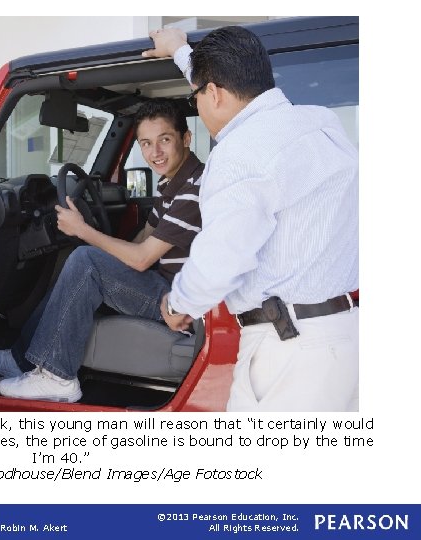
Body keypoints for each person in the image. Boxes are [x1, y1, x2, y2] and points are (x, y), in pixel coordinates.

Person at [144, 26, 359, 411]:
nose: (198, 108)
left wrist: (179, 306)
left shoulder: (238, 155)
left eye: (196, 98)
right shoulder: (321, 123)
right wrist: (179, 50)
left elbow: (219, 261)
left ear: (214, 93)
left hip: (289, 353)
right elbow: (215, 83)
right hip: (343, 335)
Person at [0, 99, 205, 402]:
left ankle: (57, 377)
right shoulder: (173, 185)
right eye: (146, 143)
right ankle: (21, 361)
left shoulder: (193, 190)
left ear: (186, 138)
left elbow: (141, 259)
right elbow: (143, 238)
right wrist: (104, 246)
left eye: (165, 140)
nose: (155, 153)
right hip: (166, 282)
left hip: (176, 301)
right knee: (79, 266)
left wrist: (84, 231)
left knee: (86, 262)